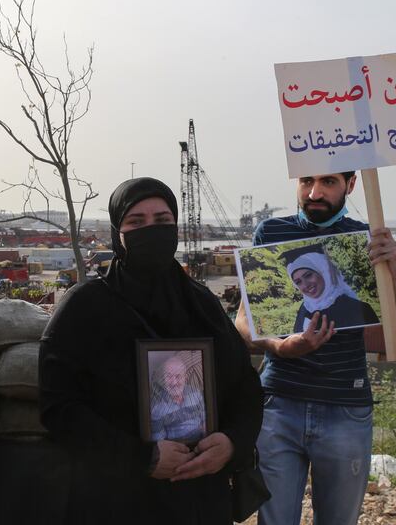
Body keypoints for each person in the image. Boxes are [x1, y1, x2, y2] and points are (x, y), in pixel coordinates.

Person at [39, 177, 263, 525]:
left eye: (162, 221)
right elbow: (59, 408)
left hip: (198, 499)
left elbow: (245, 387)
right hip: (112, 499)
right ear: (118, 233)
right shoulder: (84, 308)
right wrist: (141, 457)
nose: (151, 230)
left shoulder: (202, 303)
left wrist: (233, 443)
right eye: (136, 222)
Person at [235, 171, 396, 525]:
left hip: (345, 411)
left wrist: (394, 271)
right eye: (306, 181)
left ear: (351, 185)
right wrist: (281, 346)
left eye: (329, 182)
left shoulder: (367, 240)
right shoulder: (270, 233)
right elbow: (244, 321)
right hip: (279, 404)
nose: (315, 192)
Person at [280, 243, 380, 332]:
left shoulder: (359, 309)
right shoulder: (304, 310)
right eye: (298, 282)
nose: (305, 285)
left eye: (308, 275)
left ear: (324, 273)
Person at [150, 355, 206, 443]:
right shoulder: (156, 407)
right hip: (175, 447)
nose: (174, 382)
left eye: (178, 376)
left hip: (201, 441)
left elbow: (205, 420)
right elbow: (159, 442)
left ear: (185, 378)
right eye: (169, 376)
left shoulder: (196, 393)